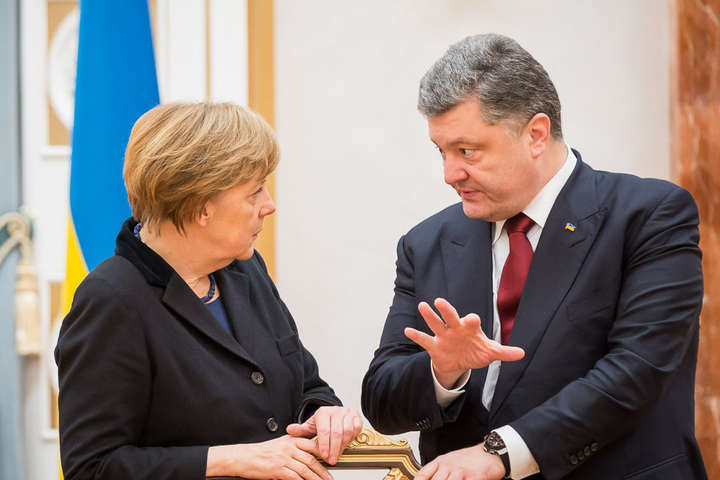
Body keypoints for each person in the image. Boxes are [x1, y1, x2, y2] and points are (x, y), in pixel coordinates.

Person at [361, 34, 707, 480]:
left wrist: (500, 453)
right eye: (441, 152)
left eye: (467, 151)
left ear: (536, 135)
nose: (449, 174)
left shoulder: (649, 216)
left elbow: (636, 372)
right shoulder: (426, 242)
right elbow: (382, 401)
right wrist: (442, 372)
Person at [56, 102, 363, 480]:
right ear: (200, 208)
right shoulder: (111, 299)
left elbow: (306, 386)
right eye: (255, 192)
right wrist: (230, 460)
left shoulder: (245, 268)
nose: (269, 205)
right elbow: (92, 468)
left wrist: (324, 413)